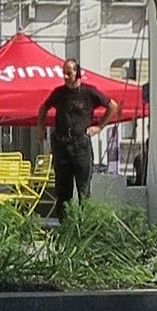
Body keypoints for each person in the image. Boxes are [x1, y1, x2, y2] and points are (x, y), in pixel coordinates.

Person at [43, 63, 108, 213]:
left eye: (69, 73)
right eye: (64, 73)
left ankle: (84, 225)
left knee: (83, 189)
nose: (65, 77)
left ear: (77, 73)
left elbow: (112, 105)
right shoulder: (59, 93)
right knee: (62, 189)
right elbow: (44, 107)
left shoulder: (89, 92)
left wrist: (99, 127)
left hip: (80, 144)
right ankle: (65, 225)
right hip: (62, 143)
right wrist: (40, 127)